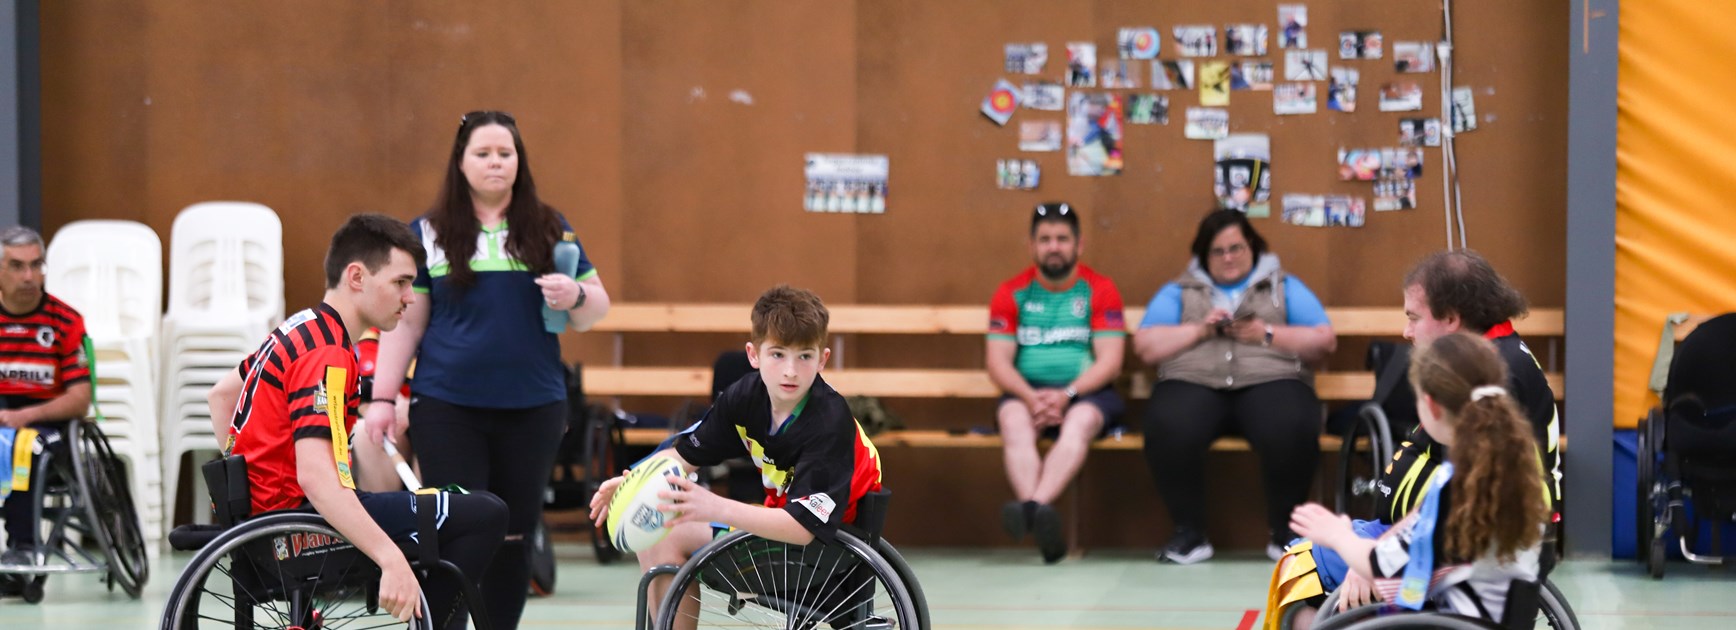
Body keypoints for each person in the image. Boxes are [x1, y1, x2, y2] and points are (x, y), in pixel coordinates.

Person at [366, 111, 613, 628]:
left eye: (506, 153)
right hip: (447, 406)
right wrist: (384, 400)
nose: (496, 162)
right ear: (460, 162)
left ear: (519, 162)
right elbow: (406, 325)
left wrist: (576, 294)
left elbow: (595, 311)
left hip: (534, 406)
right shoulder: (428, 234)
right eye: (483, 153)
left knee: (516, 531)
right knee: (453, 527)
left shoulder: (550, 228)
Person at [205, 214, 507, 628]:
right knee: (484, 514)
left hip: (267, 525)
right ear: (357, 277)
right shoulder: (326, 352)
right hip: (298, 525)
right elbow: (315, 477)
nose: (411, 296)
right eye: (400, 282)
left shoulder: (299, 328)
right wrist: (389, 558)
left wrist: (243, 505)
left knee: (455, 505)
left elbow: (222, 396)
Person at [1265, 249, 1561, 624]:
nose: (1406, 331)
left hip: (1443, 563)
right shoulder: (1483, 363)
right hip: (1435, 544)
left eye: (1413, 318)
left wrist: (1362, 554)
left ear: (1451, 318)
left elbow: (1424, 538)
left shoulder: (1488, 374)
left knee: (1299, 568)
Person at [587, 285, 885, 627]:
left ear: (823, 359)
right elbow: (684, 453)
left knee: (672, 529)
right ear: (753, 354)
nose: (790, 370)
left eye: (804, 356)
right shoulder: (744, 398)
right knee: (660, 529)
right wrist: (633, 484)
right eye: (777, 354)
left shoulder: (829, 421)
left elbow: (805, 528)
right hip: (776, 532)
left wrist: (715, 506)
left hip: (828, 551)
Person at [1289, 332, 1548, 628]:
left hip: (1450, 620)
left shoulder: (1457, 489)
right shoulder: (1514, 470)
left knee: (1299, 575)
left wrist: (1338, 534)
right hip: (1500, 616)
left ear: (1431, 406)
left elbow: (1382, 566)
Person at [1134, 209, 1337, 564]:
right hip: (1195, 381)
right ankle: (1189, 534)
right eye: (1218, 251)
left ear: (1253, 247)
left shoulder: (1283, 286)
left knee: (1291, 421)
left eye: (1236, 248)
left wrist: (1267, 333)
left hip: (1270, 379)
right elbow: (1146, 346)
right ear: (1203, 255)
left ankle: (1286, 533)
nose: (1228, 257)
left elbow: (1324, 341)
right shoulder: (1179, 291)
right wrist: (1199, 329)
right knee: (1168, 422)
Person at [987, 202, 1126, 564]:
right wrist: (1032, 399)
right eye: (1045, 239)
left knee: (1079, 423)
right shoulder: (1011, 292)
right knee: (1012, 421)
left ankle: (1032, 508)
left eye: (1062, 239)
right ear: (1031, 245)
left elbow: (1111, 361)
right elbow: (997, 363)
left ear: (1078, 245)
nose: (1054, 246)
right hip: (1027, 392)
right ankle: (1041, 511)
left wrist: (1067, 395)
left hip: (1087, 394)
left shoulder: (1100, 289)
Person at [0, 227, 94, 588]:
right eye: (17, 266)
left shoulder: (65, 321)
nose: (28, 276)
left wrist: (24, 417)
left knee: (25, 446)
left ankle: (23, 548)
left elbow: (80, 398)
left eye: (36, 265)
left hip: (48, 422)